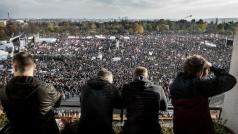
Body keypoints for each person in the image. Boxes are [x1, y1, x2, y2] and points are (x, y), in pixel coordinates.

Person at [170, 55, 237, 134]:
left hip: (180, 129)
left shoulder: (174, 85)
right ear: (199, 72)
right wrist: (211, 66)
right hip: (200, 129)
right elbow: (231, 80)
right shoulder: (200, 86)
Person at [0, 52, 62, 134]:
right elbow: (58, 102)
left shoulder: (3, 91)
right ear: (34, 66)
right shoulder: (47, 89)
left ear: (14, 68)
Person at [121, 66, 168, 134]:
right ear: (147, 76)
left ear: (134, 76)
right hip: (152, 128)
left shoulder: (126, 88)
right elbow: (164, 108)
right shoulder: (158, 89)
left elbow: (122, 104)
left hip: (131, 128)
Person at [78, 68, 121, 134]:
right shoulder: (111, 88)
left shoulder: (85, 87)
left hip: (84, 127)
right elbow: (120, 104)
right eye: (111, 81)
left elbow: (82, 102)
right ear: (107, 78)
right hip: (103, 128)